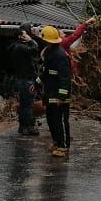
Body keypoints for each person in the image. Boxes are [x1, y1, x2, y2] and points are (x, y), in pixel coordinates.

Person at [39, 25, 72, 158]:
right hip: (49, 93)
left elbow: (65, 78)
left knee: (61, 121)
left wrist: (61, 97)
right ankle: (56, 142)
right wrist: (36, 83)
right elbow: (45, 72)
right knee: (52, 120)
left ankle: (63, 147)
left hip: (59, 96)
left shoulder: (61, 55)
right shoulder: (48, 53)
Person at [7, 25, 40, 136]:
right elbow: (35, 50)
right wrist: (32, 40)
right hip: (26, 80)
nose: (28, 36)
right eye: (25, 34)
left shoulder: (14, 47)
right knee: (28, 104)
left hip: (21, 79)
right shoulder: (20, 47)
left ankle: (23, 127)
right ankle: (28, 126)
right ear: (21, 36)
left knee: (24, 104)